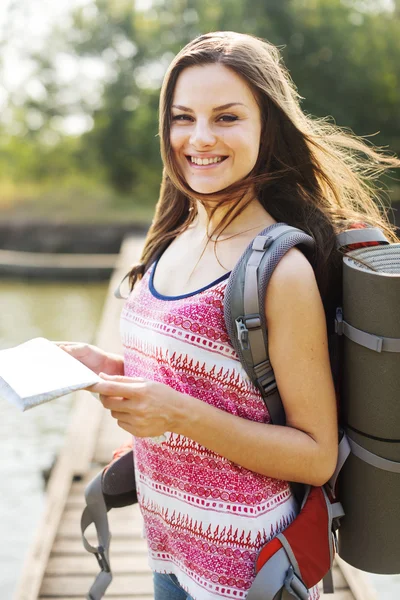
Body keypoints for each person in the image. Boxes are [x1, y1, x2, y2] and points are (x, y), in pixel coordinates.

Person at [59, 31, 399, 600]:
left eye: (227, 117)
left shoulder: (280, 269)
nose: (199, 138)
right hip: (170, 551)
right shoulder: (175, 235)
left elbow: (314, 457)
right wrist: (105, 366)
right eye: (182, 117)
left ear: (267, 127)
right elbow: (216, 383)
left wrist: (176, 415)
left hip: (250, 572)